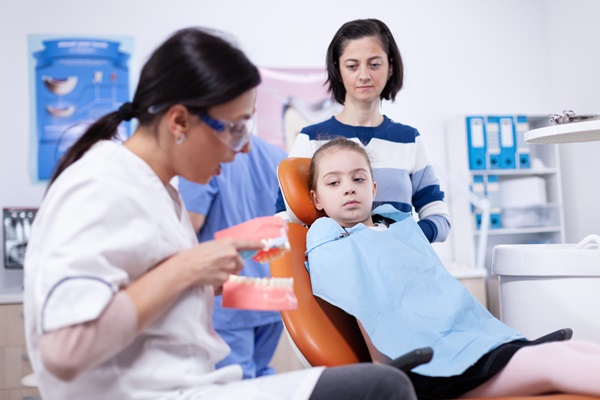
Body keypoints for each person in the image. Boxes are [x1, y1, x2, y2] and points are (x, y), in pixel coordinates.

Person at [23, 27, 418, 400]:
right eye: (233, 128)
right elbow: (63, 349)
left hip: (194, 383)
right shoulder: (100, 186)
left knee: (389, 379)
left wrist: (275, 287)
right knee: (380, 388)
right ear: (178, 121)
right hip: (160, 393)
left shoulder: (159, 192)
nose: (243, 149)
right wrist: (188, 268)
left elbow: (154, 294)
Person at [304, 137, 600, 400]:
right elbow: (366, 304)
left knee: (580, 349)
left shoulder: (395, 226)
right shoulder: (334, 244)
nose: (348, 189)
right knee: (553, 362)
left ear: (374, 187)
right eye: (333, 183)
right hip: (435, 369)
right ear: (316, 198)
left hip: (473, 343)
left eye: (358, 179)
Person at [275, 18, 450, 243]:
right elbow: (285, 219)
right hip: (337, 274)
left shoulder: (409, 140)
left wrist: (398, 239)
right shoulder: (310, 139)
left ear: (390, 67)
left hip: (399, 271)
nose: (364, 75)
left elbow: (439, 218)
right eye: (352, 65)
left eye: (374, 64)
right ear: (338, 70)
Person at [178, 134, 286, 379]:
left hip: (229, 292)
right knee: (261, 377)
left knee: (234, 383)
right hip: (274, 289)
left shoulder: (207, 157)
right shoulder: (278, 156)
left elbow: (188, 226)